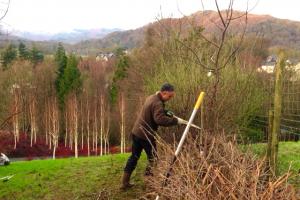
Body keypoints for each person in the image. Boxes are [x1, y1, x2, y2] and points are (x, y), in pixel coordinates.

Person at [121, 83, 184, 189]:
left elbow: (155, 111)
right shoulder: (158, 103)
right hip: (145, 135)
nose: (170, 98)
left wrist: (166, 112)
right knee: (153, 158)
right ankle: (149, 182)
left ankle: (124, 183)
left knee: (134, 157)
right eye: (169, 96)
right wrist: (175, 121)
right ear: (164, 93)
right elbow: (159, 119)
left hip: (136, 132)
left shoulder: (152, 97)